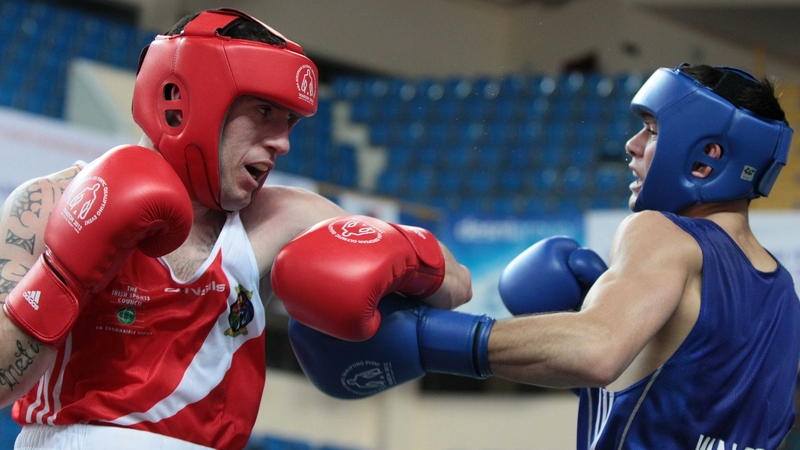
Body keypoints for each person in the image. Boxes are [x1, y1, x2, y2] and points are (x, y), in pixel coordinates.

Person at [0, 8, 473, 450]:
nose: (283, 143)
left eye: (290, 122)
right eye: (264, 112)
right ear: (181, 100)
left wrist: (404, 253)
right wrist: (65, 271)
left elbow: (458, 283)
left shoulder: (281, 218)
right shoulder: (51, 203)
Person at [285, 63, 800, 449]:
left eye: (653, 129)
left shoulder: (661, 234)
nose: (632, 145)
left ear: (709, 155)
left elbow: (596, 351)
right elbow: (689, 413)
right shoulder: (782, 293)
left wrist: (426, 339)